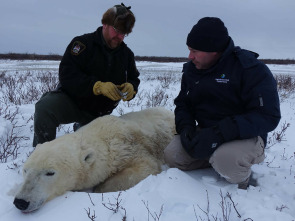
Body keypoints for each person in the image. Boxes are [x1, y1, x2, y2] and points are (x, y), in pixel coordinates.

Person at [164, 17, 281, 189]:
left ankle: (241, 175)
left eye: (194, 51)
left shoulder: (251, 69)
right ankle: (214, 158)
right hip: (206, 132)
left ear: (214, 50)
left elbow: (268, 116)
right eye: (189, 50)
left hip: (245, 136)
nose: (190, 56)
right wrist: (186, 129)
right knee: (172, 156)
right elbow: (183, 104)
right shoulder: (192, 70)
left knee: (226, 161)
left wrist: (220, 133)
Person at [33, 3, 140, 147]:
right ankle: (41, 153)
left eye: (124, 33)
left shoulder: (127, 55)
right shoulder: (82, 44)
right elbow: (67, 75)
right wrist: (96, 86)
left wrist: (131, 87)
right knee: (45, 107)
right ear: (105, 24)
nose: (120, 36)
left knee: (89, 148)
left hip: (99, 114)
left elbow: (134, 78)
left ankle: (82, 128)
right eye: (117, 30)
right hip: (72, 102)